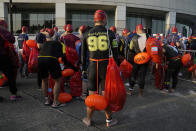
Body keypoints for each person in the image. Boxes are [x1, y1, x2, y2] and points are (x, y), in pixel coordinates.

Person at [81, 10, 119, 127]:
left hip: (92, 66)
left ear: (95, 20)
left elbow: (83, 54)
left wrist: (83, 68)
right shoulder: (110, 33)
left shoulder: (86, 33)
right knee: (105, 96)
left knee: (91, 96)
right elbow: (116, 53)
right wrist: (116, 67)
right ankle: (109, 120)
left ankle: (88, 119)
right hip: (105, 67)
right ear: (105, 20)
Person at [38, 28, 66, 108]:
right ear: (55, 35)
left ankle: (47, 100)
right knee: (58, 80)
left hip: (40, 59)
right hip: (51, 59)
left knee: (44, 80)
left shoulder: (44, 43)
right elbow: (62, 56)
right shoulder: (58, 43)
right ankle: (55, 102)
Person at [0, 19, 21, 101]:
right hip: (2, 55)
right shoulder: (2, 29)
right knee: (10, 75)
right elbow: (12, 39)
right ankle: (13, 94)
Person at [127, 24, 149, 96]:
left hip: (136, 59)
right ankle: (140, 92)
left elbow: (130, 50)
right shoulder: (148, 37)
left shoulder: (134, 37)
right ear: (143, 29)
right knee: (142, 76)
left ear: (137, 30)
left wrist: (130, 61)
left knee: (133, 74)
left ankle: (130, 90)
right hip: (146, 59)